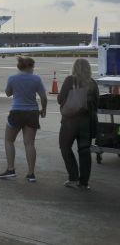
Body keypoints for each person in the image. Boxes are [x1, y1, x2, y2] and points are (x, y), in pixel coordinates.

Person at [0, 57, 47, 183]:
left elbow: (8, 93)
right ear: (30, 67)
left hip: (17, 112)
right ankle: (31, 173)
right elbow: (43, 96)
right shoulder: (36, 79)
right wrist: (44, 110)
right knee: (29, 144)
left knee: (9, 140)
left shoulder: (13, 78)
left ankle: (11, 169)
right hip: (32, 113)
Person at [58, 59, 99, 190]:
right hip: (86, 123)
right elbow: (96, 104)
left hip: (70, 122)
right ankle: (84, 183)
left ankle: (73, 177)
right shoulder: (93, 83)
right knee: (84, 152)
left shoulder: (70, 80)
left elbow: (60, 99)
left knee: (65, 147)